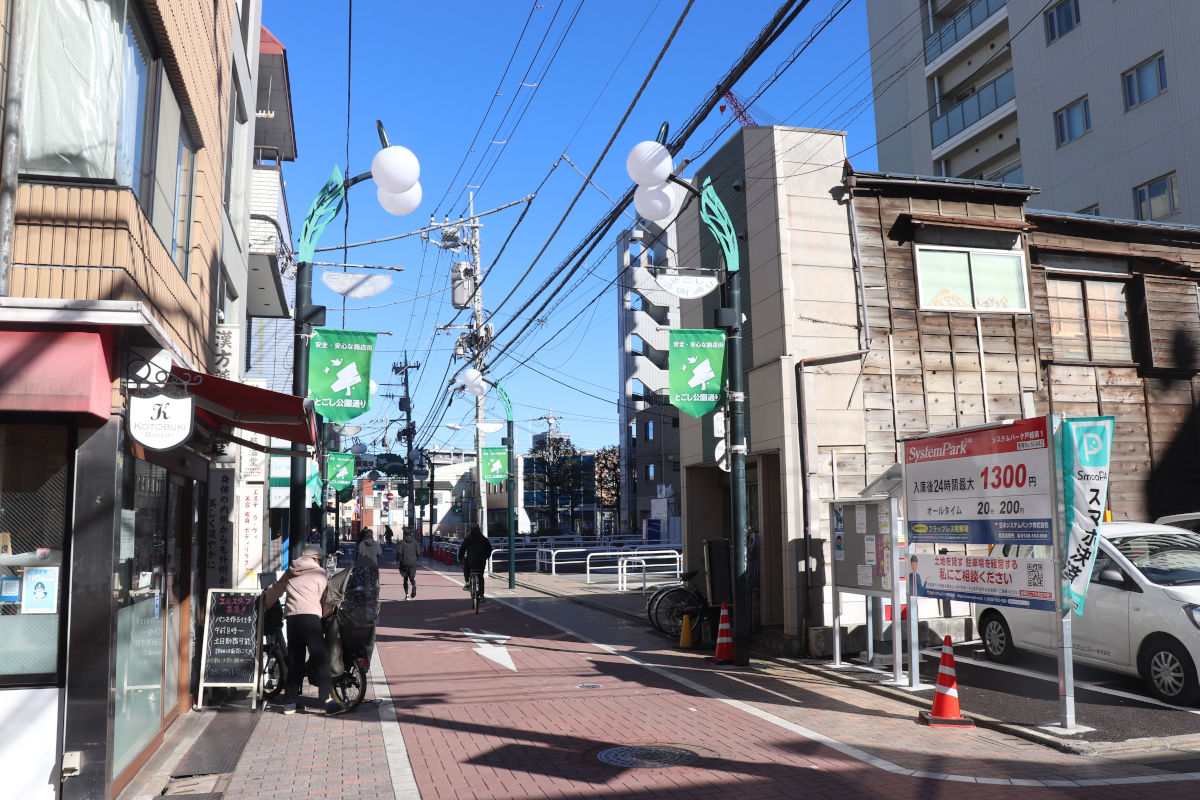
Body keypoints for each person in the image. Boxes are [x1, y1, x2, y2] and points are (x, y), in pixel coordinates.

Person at [263, 544, 340, 715]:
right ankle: (328, 701)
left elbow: (276, 589)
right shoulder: (319, 573)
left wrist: (265, 602)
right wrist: (325, 615)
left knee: (295, 662)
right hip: (311, 619)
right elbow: (326, 599)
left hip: (292, 620)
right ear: (315, 559)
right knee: (321, 659)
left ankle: (290, 703)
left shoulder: (291, 570)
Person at [458, 525, 493, 595]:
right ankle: (481, 595)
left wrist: (460, 557)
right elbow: (489, 549)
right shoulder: (484, 539)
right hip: (481, 561)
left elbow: (462, 549)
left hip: (471, 561)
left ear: (471, 530)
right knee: (481, 576)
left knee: (466, 568)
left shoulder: (468, 538)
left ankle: (467, 582)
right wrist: (486, 557)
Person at [396, 530, 420, 599]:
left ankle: (407, 595)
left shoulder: (402, 543)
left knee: (405, 578)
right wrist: (415, 559)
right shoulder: (415, 543)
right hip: (413, 563)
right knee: (412, 578)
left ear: (405, 534)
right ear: (411, 534)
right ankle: (414, 586)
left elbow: (399, 553)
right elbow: (418, 553)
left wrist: (397, 560)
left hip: (404, 562)